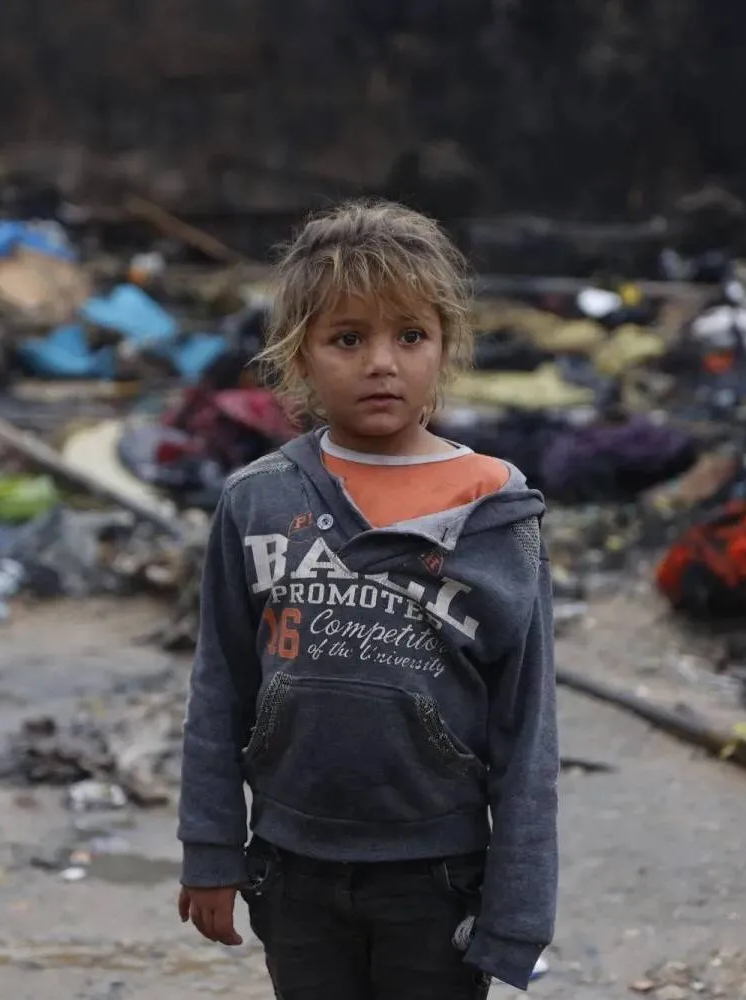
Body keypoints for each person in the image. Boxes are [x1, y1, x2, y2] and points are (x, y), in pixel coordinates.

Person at [176, 199, 558, 999]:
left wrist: (518, 911)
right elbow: (220, 687)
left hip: (438, 874)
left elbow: (526, 726)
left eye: (409, 336)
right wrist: (212, 850)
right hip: (292, 866)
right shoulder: (260, 499)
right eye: (348, 338)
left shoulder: (496, 511)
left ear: (446, 347)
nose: (382, 362)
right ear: (300, 355)